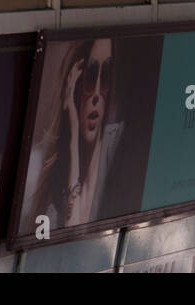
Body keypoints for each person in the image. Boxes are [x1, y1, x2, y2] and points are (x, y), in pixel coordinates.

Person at [27, 37, 123, 231]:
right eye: (90, 76)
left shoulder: (119, 147)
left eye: (105, 76)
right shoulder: (52, 199)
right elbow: (73, 235)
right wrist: (73, 133)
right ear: (73, 90)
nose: (96, 94)